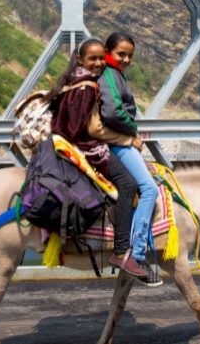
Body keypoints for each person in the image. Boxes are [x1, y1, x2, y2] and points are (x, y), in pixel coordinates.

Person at [45, 37, 151, 282]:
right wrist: (129, 139)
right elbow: (94, 129)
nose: (98, 63)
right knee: (128, 184)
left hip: (67, 144)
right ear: (81, 59)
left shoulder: (73, 80)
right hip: (87, 147)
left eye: (100, 58)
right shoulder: (89, 86)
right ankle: (122, 251)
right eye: (93, 59)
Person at [91, 32, 163, 287]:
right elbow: (112, 111)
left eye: (130, 55)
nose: (126, 59)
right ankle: (136, 254)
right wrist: (132, 132)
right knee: (149, 189)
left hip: (118, 139)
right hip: (118, 142)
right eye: (121, 54)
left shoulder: (114, 74)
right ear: (109, 52)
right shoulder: (109, 74)